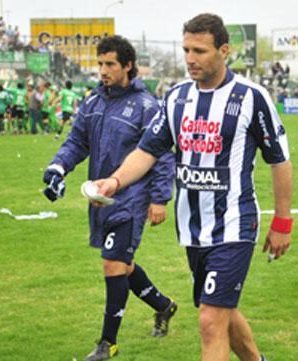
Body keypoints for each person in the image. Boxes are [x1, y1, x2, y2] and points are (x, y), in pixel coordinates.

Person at [93, 14, 292, 361]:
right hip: (192, 228)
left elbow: (280, 161)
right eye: (186, 49)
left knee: (209, 320)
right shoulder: (177, 98)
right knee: (220, 312)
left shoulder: (250, 98)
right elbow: (147, 150)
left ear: (224, 50)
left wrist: (283, 222)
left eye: (199, 50)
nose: (189, 58)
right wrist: (115, 180)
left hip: (234, 223)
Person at [42, 35, 178, 361]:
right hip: (102, 197)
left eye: (110, 64)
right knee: (122, 264)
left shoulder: (148, 107)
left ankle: (108, 344)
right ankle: (163, 305)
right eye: (100, 63)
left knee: (112, 263)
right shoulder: (93, 102)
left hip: (132, 198)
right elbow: (77, 141)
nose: (102, 70)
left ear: (127, 66)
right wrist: (58, 168)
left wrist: (159, 199)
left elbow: (162, 155)